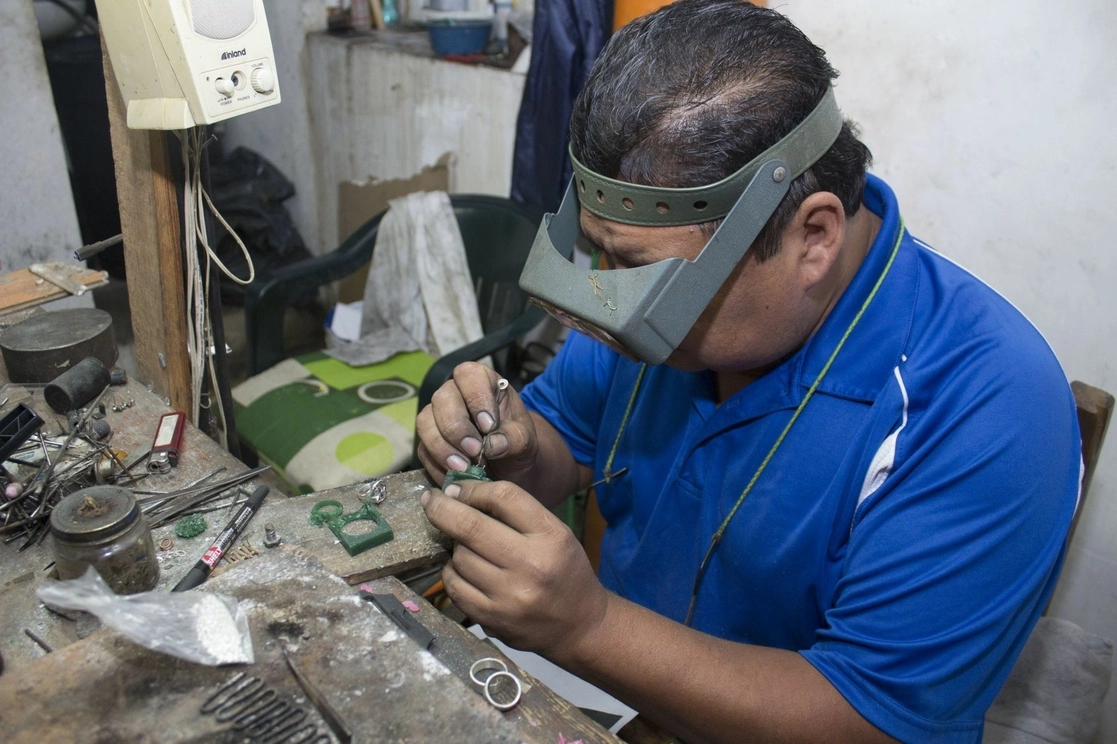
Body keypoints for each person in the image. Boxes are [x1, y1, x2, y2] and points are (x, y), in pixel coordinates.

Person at [415, 1, 1082, 742]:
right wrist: (512, 445)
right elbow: (562, 450)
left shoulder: (988, 406)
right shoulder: (650, 296)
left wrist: (585, 625)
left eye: (636, 270)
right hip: (613, 699)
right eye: (600, 254)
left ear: (814, 238)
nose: (607, 297)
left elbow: (868, 721)